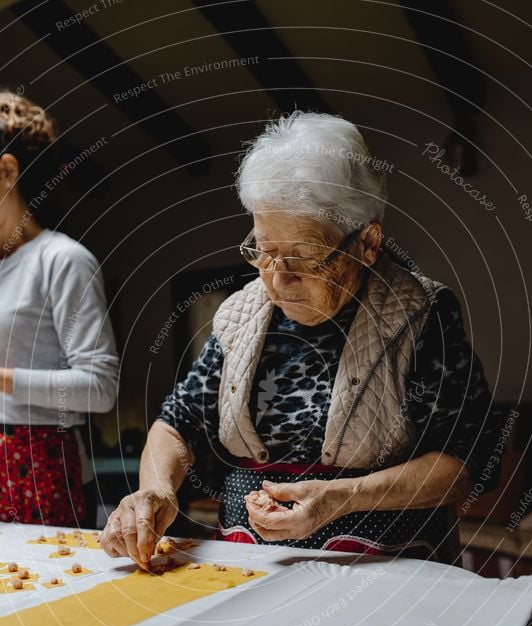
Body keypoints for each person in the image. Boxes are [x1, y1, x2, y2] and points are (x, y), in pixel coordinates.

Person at [101, 111, 500, 566]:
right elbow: (179, 420)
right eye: (264, 250)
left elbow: (463, 461)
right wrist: (156, 490)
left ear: (367, 242)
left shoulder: (419, 314)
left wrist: (340, 499)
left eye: (306, 257)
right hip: (251, 564)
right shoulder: (241, 313)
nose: (278, 279)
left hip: (385, 569)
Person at [0, 90, 118, 527]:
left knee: (46, 592)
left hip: (39, 467)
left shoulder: (62, 259)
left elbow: (99, 388)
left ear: (7, 171)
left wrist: (4, 379)